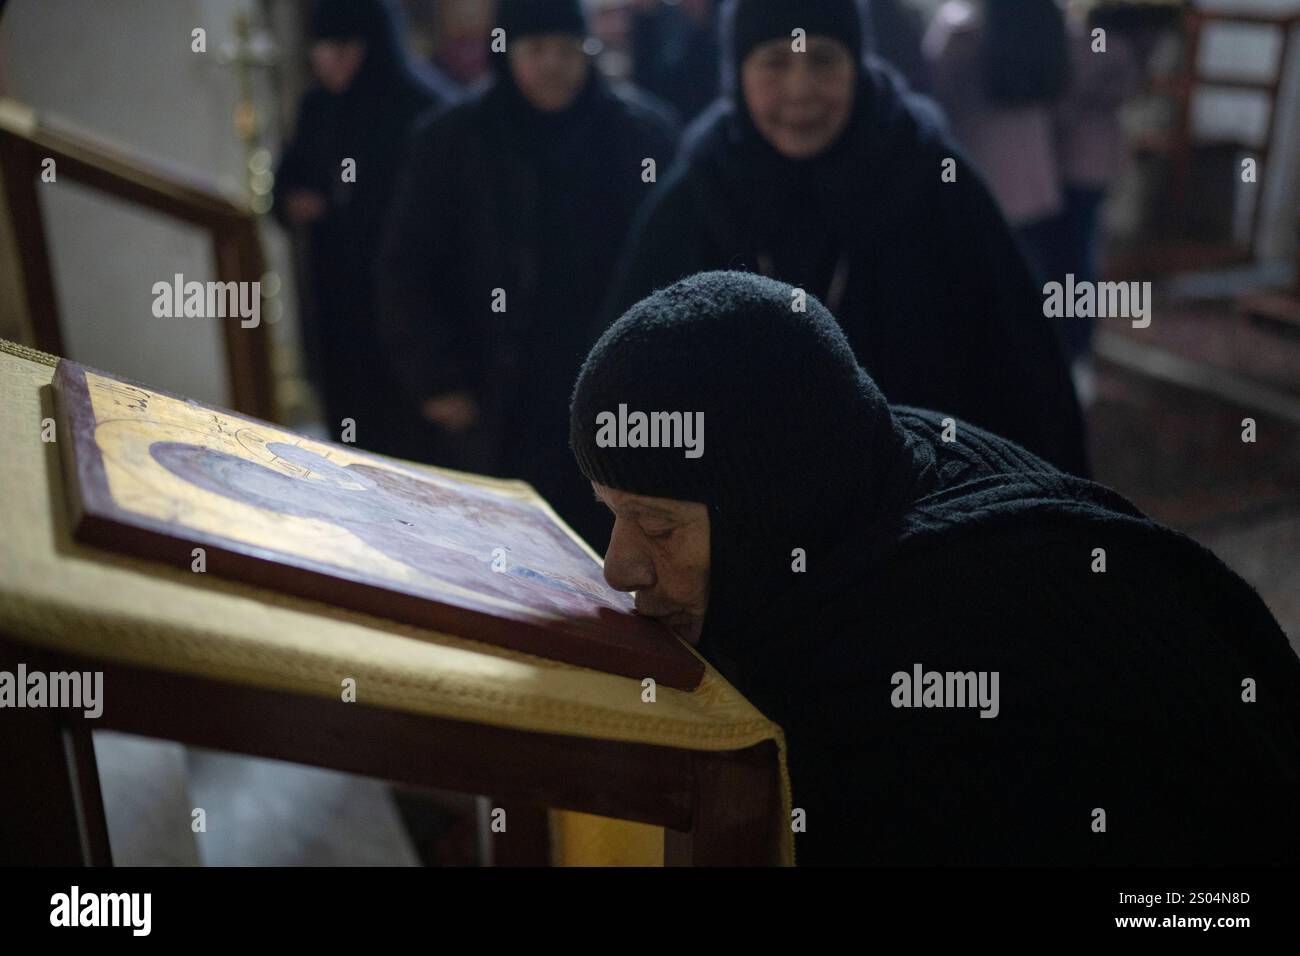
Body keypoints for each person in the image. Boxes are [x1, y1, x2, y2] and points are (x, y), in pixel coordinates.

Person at [569, 271, 1300, 865]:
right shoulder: (872, 459)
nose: (619, 566)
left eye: (658, 526)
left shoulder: (923, 651)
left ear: (771, 513)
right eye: (611, 512)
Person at [606, 0, 1089, 477]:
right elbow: (626, 376)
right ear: (738, 73)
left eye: (824, 59)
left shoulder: (932, 177)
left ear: (857, 63)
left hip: (922, 507)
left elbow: (1027, 377)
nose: (801, 89)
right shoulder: (702, 188)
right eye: (774, 61)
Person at [377, 0, 678, 544]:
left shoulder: (643, 134)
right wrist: (437, 379)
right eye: (536, 49)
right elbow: (409, 266)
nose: (553, 65)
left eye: (568, 49)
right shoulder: (451, 138)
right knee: (500, 551)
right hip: (494, 391)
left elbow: (674, 267)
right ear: (508, 52)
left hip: (612, 384)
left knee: (608, 554)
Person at [274, 0, 454, 458]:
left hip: (406, 296)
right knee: (348, 416)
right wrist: (295, 201)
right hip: (336, 289)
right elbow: (288, 181)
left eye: (345, 48)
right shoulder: (318, 106)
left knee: (410, 429)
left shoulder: (422, 108)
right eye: (323, 49)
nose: (332, 61)